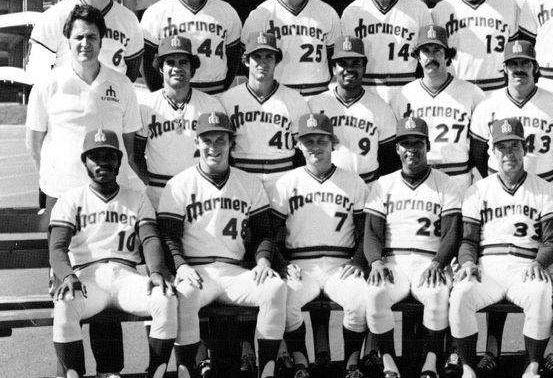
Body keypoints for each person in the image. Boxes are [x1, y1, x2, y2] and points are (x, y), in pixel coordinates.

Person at [157, 111, 287, 378]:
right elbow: (168, 237)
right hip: (197, 271)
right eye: (207, 140)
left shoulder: (248, 183)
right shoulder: (179, 184)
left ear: (231, 143)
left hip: (234, 271)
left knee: (274, 288)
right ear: (197, 142)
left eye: (220, 140)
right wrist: (180, 267)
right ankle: (185, 369)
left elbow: (263, 232)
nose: (213, 147)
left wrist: (263, 260)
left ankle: (268, 369)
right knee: (185, 295)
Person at [49, 129, 176, 378]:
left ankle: (157, 373)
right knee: (65, 303)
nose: (103, 162)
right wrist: (65, 275)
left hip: (126, 277)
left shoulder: (136, 198)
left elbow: (150, 238)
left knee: (165, 297)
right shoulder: (71, 199)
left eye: (109, 155)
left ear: (119, 160)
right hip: (87, 277)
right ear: (84, 161)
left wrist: (157, 272)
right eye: (95, 156)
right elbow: (57, 247)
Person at [449, 118, 553, 378]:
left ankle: (532, 366)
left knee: (541, 293)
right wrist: (467, 263)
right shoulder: (477, 190)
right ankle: (468, 368)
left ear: (525, 149)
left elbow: (551, 241)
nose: (509, 153)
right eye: (502, 147)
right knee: (461, 294)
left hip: (526, 266)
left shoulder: (545, 190)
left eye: (514, 146)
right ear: (492, 152)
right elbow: (468, 240)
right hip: (488, 268)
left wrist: (539, 262)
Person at [272, 113, 371, 377]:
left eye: (321, 141)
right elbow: (270, 233)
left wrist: (360, 260)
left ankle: (352, 362)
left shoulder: (353, 182)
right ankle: (301, 360)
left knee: (361, 300)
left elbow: (367, 232)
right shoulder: (286, 183)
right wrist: (281, 265)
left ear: (334, 143)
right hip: (301, 265)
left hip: (341, 265)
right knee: (284, 301)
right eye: (308, 141)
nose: (315, 147)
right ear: (298, 145)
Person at [363, 116, 462, 378]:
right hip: (393, 261)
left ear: (427, 145)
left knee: (439, 293)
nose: (412, 149)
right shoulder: (384, 184)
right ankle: (388, 360)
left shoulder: (445, 183)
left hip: (429, 260)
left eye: (417, 143)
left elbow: (453, 232)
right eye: (405, 143)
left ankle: (431, 361)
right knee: (374, 294)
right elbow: (371, 232)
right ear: (396, 148)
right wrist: (375, 261)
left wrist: (439, 263)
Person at [27, 4, 143, 219]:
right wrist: (51, 178)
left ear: (101, 41)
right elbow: (34, 143)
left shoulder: (122, 84)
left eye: (92, 37)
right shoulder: (47, 85)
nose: (85, 43)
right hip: (61, 193)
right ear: (67, 41)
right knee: (61, 252)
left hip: (111, 193)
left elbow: (128, 144)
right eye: (78, 37)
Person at [391, 25, 486, 192]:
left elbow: (481, 147)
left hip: (458, 178)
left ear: (447, 56)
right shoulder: (403, 95)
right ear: (417, 57)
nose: (431, 56)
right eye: (426, 51)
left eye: (437, 51)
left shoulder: (472, 93)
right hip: (419, 179)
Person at [140, 0, 243, 93]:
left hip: (215, 94)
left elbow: (233, 62)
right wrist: (161, 97)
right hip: (174, 96)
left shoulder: (227, 12)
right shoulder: (156, 13)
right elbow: (147, 65)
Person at [469, 40, 553, 191]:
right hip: (499, 189)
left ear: (535, 67)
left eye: (525, 63)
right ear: (504, 68)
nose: (519, 69)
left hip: (543, 186)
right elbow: (478, 153)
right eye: (513, 64)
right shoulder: (487, 105)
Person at [243, 0, 343, 96]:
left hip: (318, 94)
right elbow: (247, 62)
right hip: (278, 95)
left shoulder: (327, 12)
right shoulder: (261, 14)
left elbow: (335, 59)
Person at [134, 35, 224, 206]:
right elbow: (136, 155)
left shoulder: (211, 105)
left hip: (199, 193)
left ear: (192, 67)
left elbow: (221, 155)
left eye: (183, 62)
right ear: (160, 67)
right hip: (158, 193)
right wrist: (149, 185)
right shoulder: (146, 106)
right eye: (170, 62)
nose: (177, 68)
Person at [340, 0, 431, 103]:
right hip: (365, 91)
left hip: (408, 90)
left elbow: (428, 56)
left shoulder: (418, 9)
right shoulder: (352, 11)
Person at [219, 31, 309, 187]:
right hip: (243, 177)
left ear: (277, 61)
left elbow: (304, 150)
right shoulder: (228, 100)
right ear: (246, 61)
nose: (263, 62)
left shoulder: (294, 99)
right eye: (256, 57)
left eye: (269, 56)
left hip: (283, 177)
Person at [308, 37, 399, 184]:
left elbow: (389, 159)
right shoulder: (315, 104)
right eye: (342, 64)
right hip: (327, 185)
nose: (349, 69)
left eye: (355, 63)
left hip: (368, 185)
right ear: (333, 68)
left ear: (364, 67)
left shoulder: (381, 108)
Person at [432, 0, 522, 92]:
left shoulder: (508, 4)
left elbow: (517, 52)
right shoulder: (442, 9)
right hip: (456, 89)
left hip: (497, 89)